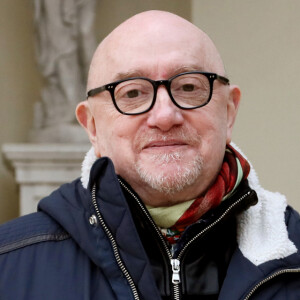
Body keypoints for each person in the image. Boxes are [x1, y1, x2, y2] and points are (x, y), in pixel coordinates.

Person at [0, 10, 299, 300]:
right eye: (132, 93)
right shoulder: (9, 265)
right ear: (92, 126)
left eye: (189, 86)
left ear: (229, 112)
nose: (165, 115)